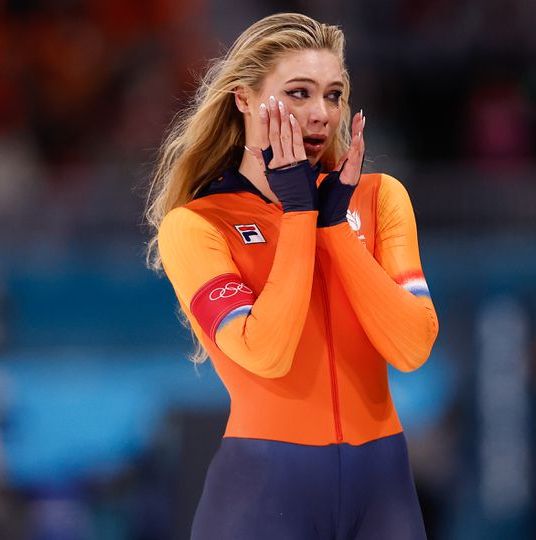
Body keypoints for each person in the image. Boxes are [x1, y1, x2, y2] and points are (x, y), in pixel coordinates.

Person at [145, 13, 439, 539]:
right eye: (299, 93)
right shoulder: (196, 225)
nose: (320, 114)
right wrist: (301, 214)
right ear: (244, 99)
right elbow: (267, 352)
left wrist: (332, 226)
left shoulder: (379, 198)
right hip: (264, 493)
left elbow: (413, 346)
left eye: (332, 94)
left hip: (384, 490)